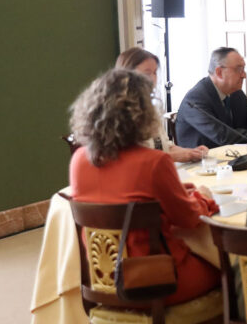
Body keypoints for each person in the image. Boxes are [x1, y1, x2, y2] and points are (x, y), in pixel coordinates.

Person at [69, 69, 220, 305]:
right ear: (142, 114)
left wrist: (181, 193)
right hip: (159, 279)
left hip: (104, 278)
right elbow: (188, 219)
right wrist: (202, 197)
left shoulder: (79, 160)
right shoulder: (153, 162)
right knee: (230, 269)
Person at [114, 47, 206, 163]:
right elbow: (132, 159)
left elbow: (164, 147)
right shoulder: (119, 112)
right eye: (147, 73)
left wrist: (190, 152)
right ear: (126, 74)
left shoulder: (150, 107)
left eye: (155, 72)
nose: (153, 78)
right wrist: (177, 157)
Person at [175, 48, 247, 149]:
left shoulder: (236, 93)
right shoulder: (196, 99)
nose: (244, 75)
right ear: (219, 72)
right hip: (202, 161)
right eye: (239, 69)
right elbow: (223, 136)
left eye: (244, 69)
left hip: (232, 156)